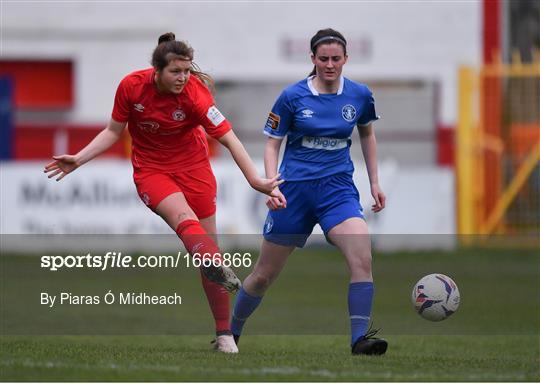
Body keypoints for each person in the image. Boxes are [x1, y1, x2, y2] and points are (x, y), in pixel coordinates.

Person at [44, 32, 282, 354]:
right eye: (175, 72)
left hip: (195, 170)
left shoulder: (196, 95)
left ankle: (224, 335)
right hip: (152, 171)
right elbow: (114, 131)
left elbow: (229, 139)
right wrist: (79, 159)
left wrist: (255, 179)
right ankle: (214, 263)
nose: (183, 78)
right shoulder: (132, 86)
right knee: (185, 221)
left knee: (205, 249)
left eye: (186, 71)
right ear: (157, 70)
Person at [230, 28, 388, 355]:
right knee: (262, 276)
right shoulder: (292, 97)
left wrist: (374, 181)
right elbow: (273, 144)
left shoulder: (359, 95)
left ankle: (359, 340)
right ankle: (229, 334)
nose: (330, 65)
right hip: (294, 194)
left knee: (362, 257)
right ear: (313, 59)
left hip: (338, 191)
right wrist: (271, 183)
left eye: (336, 59)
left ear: (346, 59)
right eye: (323, 58)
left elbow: (367, 135)